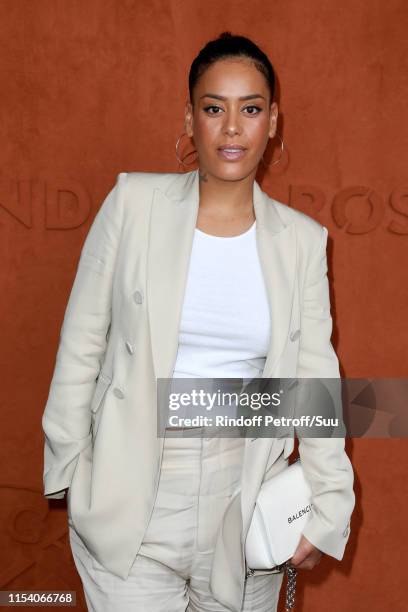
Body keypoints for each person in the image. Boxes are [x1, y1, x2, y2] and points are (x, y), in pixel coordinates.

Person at [42, 31, 355, 612]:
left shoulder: (302, 243)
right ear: (190, 120)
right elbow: (82, 340)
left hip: (245, 495)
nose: (232, 128)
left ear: (273, 121)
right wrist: (69, 465)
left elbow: (314, 382)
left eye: (251, 109)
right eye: (214, 108)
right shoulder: (134, 204)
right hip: (129, 487)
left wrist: (330, 503)